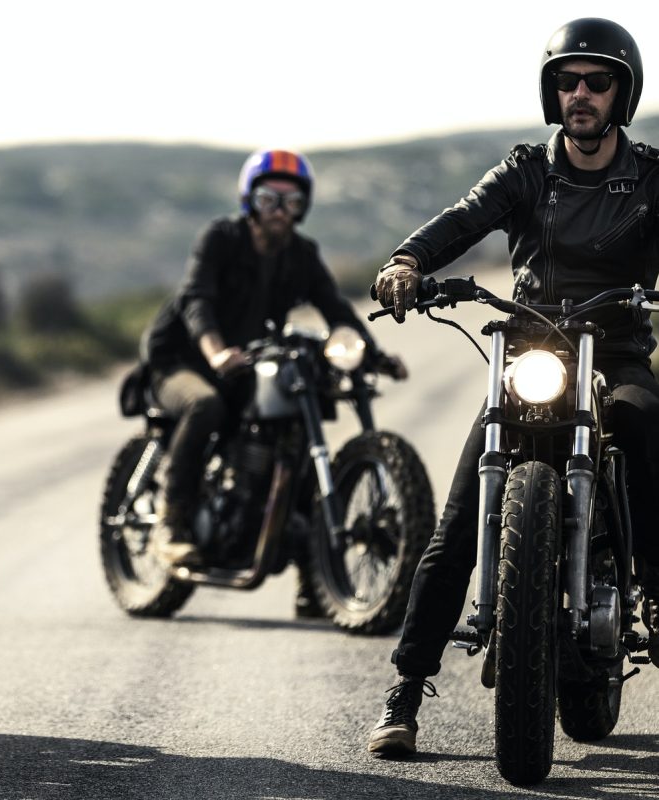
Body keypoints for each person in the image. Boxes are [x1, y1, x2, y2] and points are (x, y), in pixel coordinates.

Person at [368, 16, 659, 757]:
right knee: (460, 518)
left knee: (647, 428)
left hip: (617, 349)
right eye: (567, 81)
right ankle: (404, 691)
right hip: (533, 350)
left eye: (597, 81)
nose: (581, 94)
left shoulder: (653, 177)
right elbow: (463, 219)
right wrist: (408, 261)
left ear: (622, 92)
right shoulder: (528, 169)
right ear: (551, 91)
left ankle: (654, 595)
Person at [141, 149, 406, 568]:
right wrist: (214, 352)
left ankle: (313, 580)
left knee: (294, 419)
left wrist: (373, 355)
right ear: (250, 200)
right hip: (181, 360)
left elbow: (336, 308)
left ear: (303, 207)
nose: (280, 211)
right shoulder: (221, 238)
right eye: (270, 199)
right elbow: (197, 300)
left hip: (242, 364)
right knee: (204, 404)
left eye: (291, 201)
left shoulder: (301, 254)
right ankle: (170, 526)